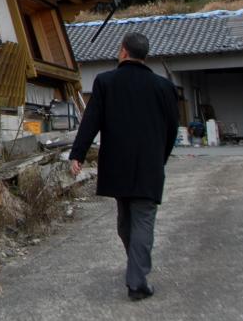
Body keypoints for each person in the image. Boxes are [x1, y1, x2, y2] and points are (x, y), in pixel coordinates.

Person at [69, 31, 179, 302]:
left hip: (116, 164)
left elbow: (91, 120)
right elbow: (172, 130)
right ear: (144, 55)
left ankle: (136, 279)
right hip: (149, 165)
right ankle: (137, 274)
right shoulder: (163, 87)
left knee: (126, 221)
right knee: (140, 221)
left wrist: (77, 154)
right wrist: (161, 158)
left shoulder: (105, 81)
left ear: (123, 51)